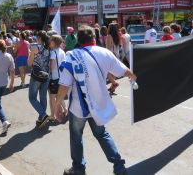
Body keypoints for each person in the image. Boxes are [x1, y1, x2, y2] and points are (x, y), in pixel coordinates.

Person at [54, 25, 137, 175]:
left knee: (76, 137)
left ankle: (78, 168)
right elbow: (124, 71)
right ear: (94, 38)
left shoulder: (71, 56)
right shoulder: (105, 53)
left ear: (78, 39)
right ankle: (118, 165)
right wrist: (133, 77)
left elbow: (64, 86)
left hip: (79, 109)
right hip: (98, 106)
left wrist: (57, 106)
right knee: (102, 134)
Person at [28, 30, 51, 127]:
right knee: (43, 97)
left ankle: (43, 114)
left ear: (40, 38)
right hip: (46, 75)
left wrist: (31, 54)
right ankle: (41, 118)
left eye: (37, 37)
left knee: (32, 98)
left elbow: (29, 63)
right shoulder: (49, 48)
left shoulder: (35, 48)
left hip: (36, 76)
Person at [48, 34, 67, 122]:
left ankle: (53, 115)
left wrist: (49, 73)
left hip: (55, 77)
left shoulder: (53, 52)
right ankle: (66, 110)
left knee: (52, 97)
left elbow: (52, 66)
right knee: (60, 96)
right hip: (62, 77)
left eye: (51, 40)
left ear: (54, 42)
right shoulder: (62, 51)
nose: (49, 42)